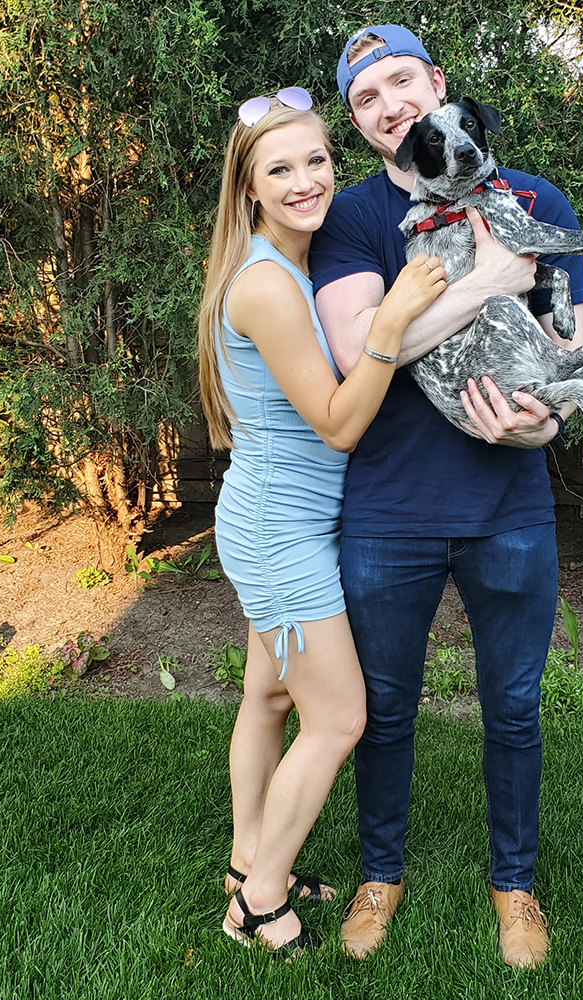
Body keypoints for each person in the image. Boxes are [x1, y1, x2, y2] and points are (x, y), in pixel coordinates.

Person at [309, 26, 583, 969]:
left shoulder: (533, 200)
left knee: (513, 709)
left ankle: (514, 887)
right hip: (387, 512)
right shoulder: (350, 220)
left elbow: (562, 355)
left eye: (400, 82)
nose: (389, 105)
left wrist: (546, 425)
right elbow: (359, 360)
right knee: (384, 710)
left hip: (508, 506)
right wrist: (489, 281)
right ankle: (379, 876)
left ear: (437, 83)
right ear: (358, 127)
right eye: (365, 100)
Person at [197, 88, 446, 958]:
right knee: (339, 716)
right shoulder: (267, 285)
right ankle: (259, 905)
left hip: (279, 520)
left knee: (268, 696)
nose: (306, 181)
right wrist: (395, 313)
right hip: (279, 534)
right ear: (249, 188)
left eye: (316, 161)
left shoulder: (291, 265)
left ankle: (244, 861)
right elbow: (339, 422)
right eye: (281, 168)